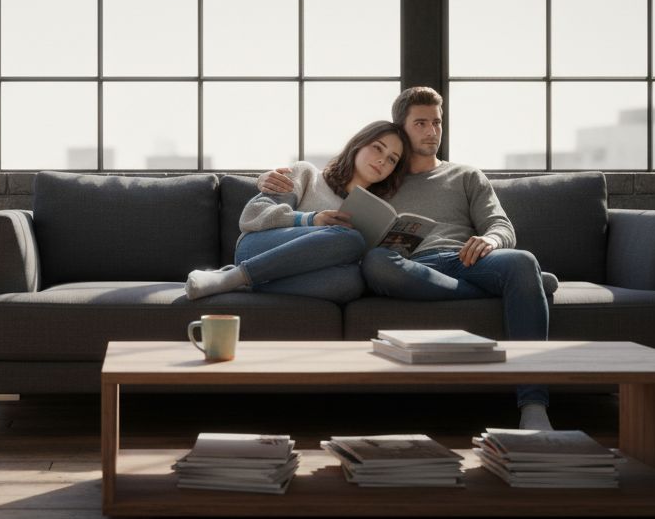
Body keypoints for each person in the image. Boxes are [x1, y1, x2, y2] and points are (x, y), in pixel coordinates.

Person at [257, 87, 554, 431]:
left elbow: (500, 225)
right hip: (409, 268)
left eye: (437, 123)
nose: (432, 132)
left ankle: (534, 404)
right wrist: (265, 180)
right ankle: (516, 288)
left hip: (467, 261)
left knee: (520, 261)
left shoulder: (466, 176)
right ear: (402, 127)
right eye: (421, 123)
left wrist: (489, 240)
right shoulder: (380, 179)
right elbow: (325, 183)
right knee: (376, 263)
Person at [185, 120, 408, 303]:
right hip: (255, 249)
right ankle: (234, 276)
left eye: (391, 159)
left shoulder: (373, 211)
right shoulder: (307, 174)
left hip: (292, 272)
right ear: (358, 145)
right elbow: (251, 216)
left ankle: (242, 282)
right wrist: (311, 219)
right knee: (351, 238)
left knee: (351, 282)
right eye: (378, 147)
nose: (382, 160)